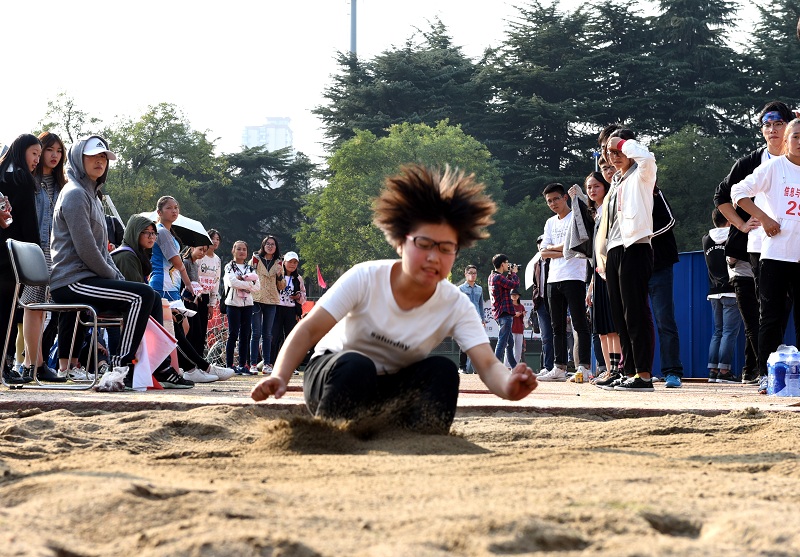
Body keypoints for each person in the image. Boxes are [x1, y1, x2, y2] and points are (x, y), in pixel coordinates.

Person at [250, 164, 538, 434]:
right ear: (401, 242)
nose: (433, 257)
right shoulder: (366, 276)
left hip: (391, 387)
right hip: (335, 374)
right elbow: (309, 329)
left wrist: (508, 386)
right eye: (424, 244)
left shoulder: (455, 303)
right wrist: (280, 376)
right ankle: (331, 436)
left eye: (446, 248)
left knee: (444, 370)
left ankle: (419, 438)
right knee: (357, 364)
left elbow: (487, 364)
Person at [49, 136, 161, 384]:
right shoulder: (75, 194)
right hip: (72, 280)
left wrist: (117, 277)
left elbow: (102, 249)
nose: (100, 161)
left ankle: (157, 366)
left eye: (103, 157)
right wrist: (113, 276)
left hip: (86, 278)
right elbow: (87, 250)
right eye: (93, 156)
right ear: (78, 158)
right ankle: (121, 368)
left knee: (151, 296)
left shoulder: (92, 196)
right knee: (141, 295)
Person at [715, 101, 795, 387]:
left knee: (783, 311)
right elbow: (723, 196)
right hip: (762, 247)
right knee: (767, 312)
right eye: (767, 125)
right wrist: (741, 224)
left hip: (795, 246)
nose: (772, 130)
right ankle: (765, 372)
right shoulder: (752, 162)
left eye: (778, 124)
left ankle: (771, 368)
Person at [731, 118, 800, 394]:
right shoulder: (774, 167)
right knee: (770, 317)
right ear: (786, 140)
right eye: (795, 136)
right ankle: (765, 375)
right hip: (776, 255)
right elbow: (738, 191)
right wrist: (764, 218)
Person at [596, 128, 657, 392]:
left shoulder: (642, 173)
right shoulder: (617, 181)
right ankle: (629, 370)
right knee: (620, 316)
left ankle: (643, 374)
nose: (615, 156)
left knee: (635, 312)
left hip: (635, 246)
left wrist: (622, 142)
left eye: (619, 150)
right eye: (610, 152)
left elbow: (647, 157)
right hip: (614, 249)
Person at [538, 183, 591, 382]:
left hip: (574, 276)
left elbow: (578, 246)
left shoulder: (576, 217)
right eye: (549, 201)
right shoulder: (550, 222)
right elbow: (543, 252)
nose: (553, 203)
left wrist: (557, 248)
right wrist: (565, 249)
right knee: (556, 326)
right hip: (553, 278)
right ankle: (558, 367)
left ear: (565, 198)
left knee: (579, 323)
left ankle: (583, 367)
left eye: (556, 199)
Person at [0, 134, 42, 385]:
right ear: (21, 151)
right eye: (34, 153)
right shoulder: (22, 178)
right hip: (11, 258)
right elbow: (29, 223)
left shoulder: (3, 173)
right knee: (6, 314)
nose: (37, 159)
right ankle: (4, 367)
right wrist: (36, 252)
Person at [582, 172, 621, 386]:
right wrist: (591, 285)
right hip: (597, 276)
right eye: (589, 187)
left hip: (611, 273)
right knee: (602, 328)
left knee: (613, 326)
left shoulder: (610, 209)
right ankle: (607, 370)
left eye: (596, 186)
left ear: (605, 187)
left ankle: (617, 370)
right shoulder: (595, 215)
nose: (592, 190)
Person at [703, 208, 741, 383]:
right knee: (729, 332)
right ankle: (724, 372)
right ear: (728, 219)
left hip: (713, 291)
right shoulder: (733, 236)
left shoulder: (706, 239)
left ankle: (713, 371)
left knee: (718, 332)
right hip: (731, 290)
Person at [149, 196, 200, 302]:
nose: (174, 211)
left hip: (170, 285)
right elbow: (178, 263)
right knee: (176, 313)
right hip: (164, 285)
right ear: (159, 212)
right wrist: (188, 283)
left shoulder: (167, 232)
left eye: (176, 207)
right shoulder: (162, 232)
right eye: (169, 208)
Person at [223, 240, 260, 374]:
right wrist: (248, 283)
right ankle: (229, 364)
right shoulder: (229, 267)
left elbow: (257, 286)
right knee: (233, 334)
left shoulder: (250, 268)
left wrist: (243, 281)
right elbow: (232, 282)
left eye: (244, 249)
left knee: (245, 335)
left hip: (248, 304)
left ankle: (243, 365)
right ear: (233, 251)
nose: (242, 252)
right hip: (233, 304)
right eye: (238, 249)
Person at [250, 235, 285, 375]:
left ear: (276, 247)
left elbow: (281, 286)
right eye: (268, 244)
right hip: (256, 298)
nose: (270, 246)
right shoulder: (255, 259)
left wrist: (279, 275)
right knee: (256, 332)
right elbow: (249, 277)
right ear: (263, 245)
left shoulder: (278, 263)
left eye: (273, 244)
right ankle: (253, 363)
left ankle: (267, 363)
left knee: (268, 334)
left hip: (271, 300)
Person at [270, 251, 305, 370]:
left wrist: (298, 296)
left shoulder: (298, 278)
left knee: (290, 338)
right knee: (274, 336)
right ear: (284, 262)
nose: (292, 264)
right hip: (277, 308)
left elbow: (303, 295)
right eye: (290, 262)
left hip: (291, 310)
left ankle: (290, 365)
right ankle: (271, 363)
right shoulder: (278, 275)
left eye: (295, 262)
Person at [488, 254, 519, 369]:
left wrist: (510, 274)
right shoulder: (499, 278)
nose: (508, 265)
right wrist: (514, 273)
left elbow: (506, 285)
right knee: (502, 341)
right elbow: (514, 285)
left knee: (509, 342)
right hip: (504, 313)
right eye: (507, 263)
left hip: (499, 313)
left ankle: (514, 367)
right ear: (502, 264)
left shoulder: (492, 276)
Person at [529, 235, 554, 375]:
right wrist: (535, 300)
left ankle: (559, 366)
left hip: (554, 302)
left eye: (542, 243)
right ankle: (547, 366)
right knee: (545, 337)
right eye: (538, 244)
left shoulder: (554, 261)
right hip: (541, 304)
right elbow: (535, 284)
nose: (540, 246)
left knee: (557, 334)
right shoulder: (536, 264)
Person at [198, 228, 222, 355]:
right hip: (195, 295)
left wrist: (212, 304)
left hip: (206, 297)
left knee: (203, 328)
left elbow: (216, 281)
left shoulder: (217, 260)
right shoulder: (200, 255)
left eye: (217, 239)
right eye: (212, 238)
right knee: (194, 327)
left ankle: (200, 356)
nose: (215, 241)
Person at [458, 264, 485, 374]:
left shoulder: (480, 289)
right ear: (465, 274)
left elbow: (481, 305)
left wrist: (483, 319)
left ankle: (476, 368)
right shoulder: (460, 289)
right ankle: (462, 367)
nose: (473, 275)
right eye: (470, 273)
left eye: (475, 273)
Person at [507, 289, 525, 367]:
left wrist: (523, 315)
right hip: (511, 329)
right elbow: (507, 316)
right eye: (513, 295)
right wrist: (514, 314)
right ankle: (507, 366)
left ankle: (515, 366)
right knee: (509, 349)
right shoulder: (509, 306)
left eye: (516, 295)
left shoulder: (521, 306)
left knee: (518, 351)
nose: (514, 296)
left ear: (518, 296)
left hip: (519, 329)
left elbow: (523, 320)